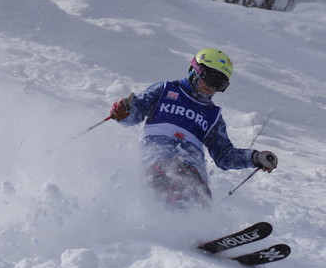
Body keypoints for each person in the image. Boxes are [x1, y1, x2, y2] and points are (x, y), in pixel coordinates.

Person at [109, 48, 278, 208]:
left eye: (220, 84)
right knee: (173, 175)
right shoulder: (165, 90)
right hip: (158, 160)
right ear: (194, 69)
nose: (212, 87)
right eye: (210, 78)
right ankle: (163, 221)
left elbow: (224, 156)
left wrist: (254, 157)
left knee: (198, 192)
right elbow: (134, 113)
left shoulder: (213, 115)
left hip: (192, 169)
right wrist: (125, 110)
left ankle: (196, 230)